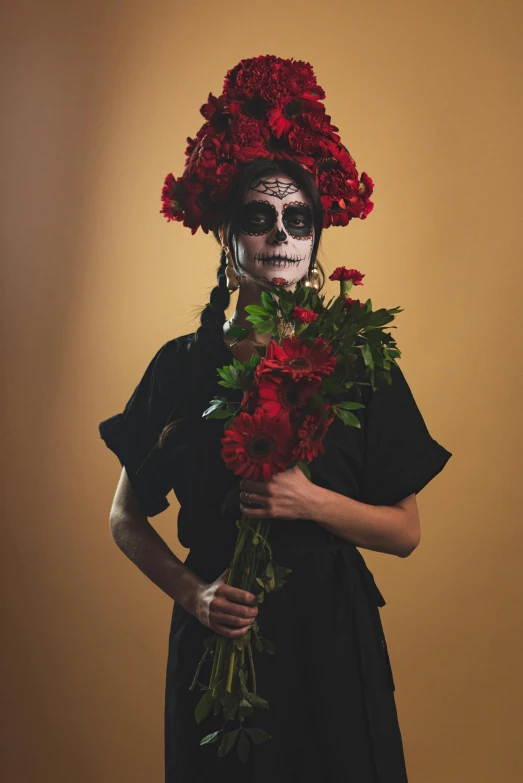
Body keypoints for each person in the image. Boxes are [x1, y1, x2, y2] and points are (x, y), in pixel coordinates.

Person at [98, 56, 452, 783]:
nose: (281, 235)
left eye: (298, 218)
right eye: (259, 218)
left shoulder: (361, 358)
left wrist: (309, 500)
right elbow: (124, 518)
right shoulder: (180, 364)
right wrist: (192, 595)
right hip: (221, 641)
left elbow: (406, 530)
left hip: (332, 638)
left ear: (317, 236)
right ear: (227, 236)